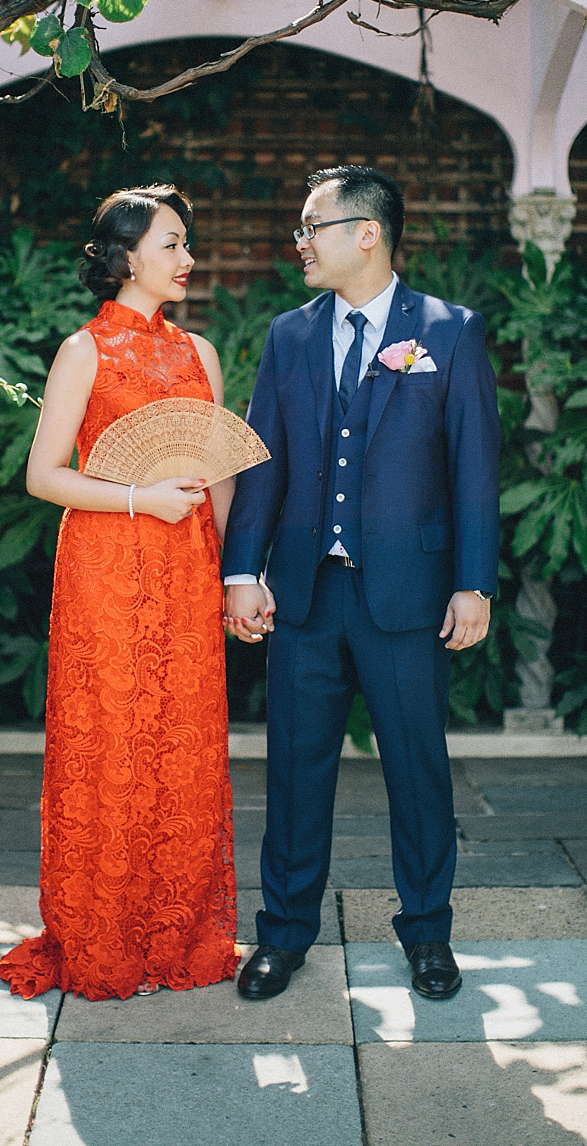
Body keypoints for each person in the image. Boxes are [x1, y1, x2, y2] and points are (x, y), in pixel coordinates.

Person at [223, 166, 500, 1002]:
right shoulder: (290, 336)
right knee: (294, 772)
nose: (299, 241)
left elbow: (475, 470)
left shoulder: (449, 333)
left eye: (314, 226)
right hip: (304, 595)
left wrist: (473, 583)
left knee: (418, 770)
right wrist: (242, 569)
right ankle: (283, 936)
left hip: (408, 597)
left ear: (367, 232)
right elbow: (261, 460)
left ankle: (427, 936)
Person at [0, 184, 238, 1001]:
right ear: (127, 256)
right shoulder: (85, 351)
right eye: (171, 243)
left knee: (185, 743)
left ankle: (177, 929)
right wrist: (141, 497)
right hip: (108, 564)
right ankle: (102, 935)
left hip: (187, 566)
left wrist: (239, 575)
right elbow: (44, 475)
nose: (187, 258)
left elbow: (222, 474)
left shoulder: (201, 354)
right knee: (112, 742)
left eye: (186, 242)